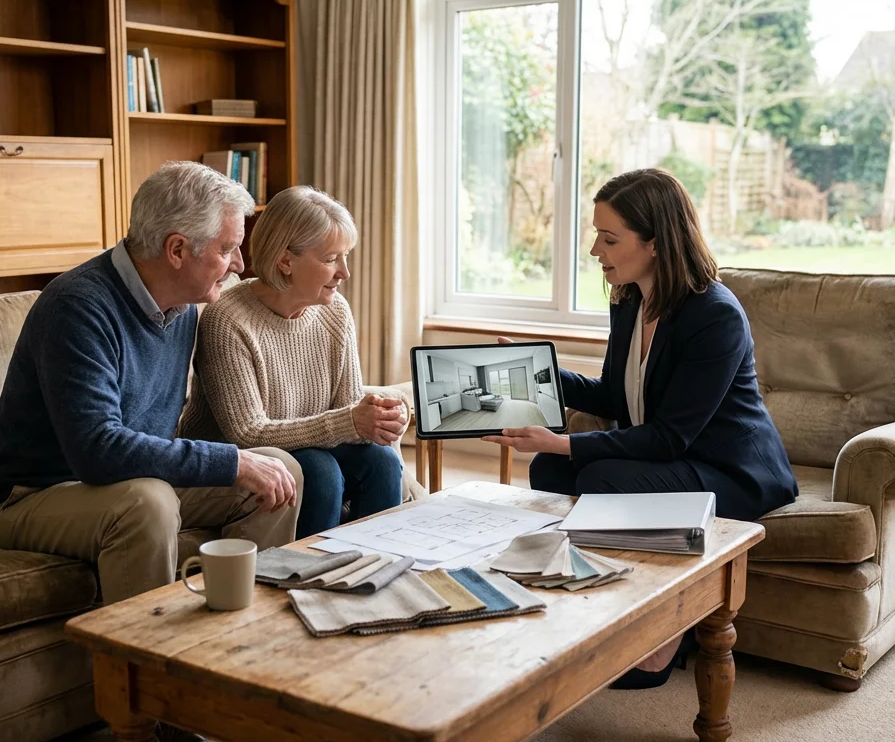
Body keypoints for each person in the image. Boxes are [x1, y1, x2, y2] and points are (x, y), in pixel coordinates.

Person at [0, 161, 302, 742]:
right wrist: (227, 461)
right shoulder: (79, 306)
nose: (240, 264)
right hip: (27, 497)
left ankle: (230, 667)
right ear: (178, 249)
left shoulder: (182, 309)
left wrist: (244, 460)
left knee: (279, 469)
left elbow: (166, 437)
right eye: (228, 248)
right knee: (148, 504)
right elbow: (98, 450)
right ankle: (150, 720)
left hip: (121, 483)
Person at [484, 167, 797, 688]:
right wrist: (538, 373)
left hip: (731, 472)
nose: (594, 251)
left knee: (596, 475)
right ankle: (589, 606)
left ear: (655, 242)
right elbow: (613, 397)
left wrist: (563, 441)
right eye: (596, 236)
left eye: (609, 239)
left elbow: (670, 436)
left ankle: (659, 639)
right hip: (676, 458)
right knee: (550, 470)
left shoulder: (715, 315)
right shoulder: (630, 300)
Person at [180, 186, 406, 538]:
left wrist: (381, 421)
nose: (344, 272)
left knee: (383, 461)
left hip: (309, 448)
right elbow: (248, 432)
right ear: (285, 261)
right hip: (242, 456)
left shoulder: (335, 312)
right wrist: (352, 421)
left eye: (345, 257)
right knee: (319, 470)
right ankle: (307, 580)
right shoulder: (227, 318)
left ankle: (380, 567)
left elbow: (348, 413)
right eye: (331, 259)